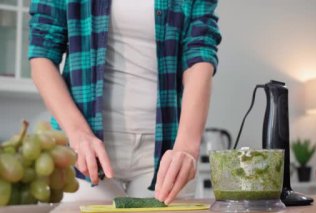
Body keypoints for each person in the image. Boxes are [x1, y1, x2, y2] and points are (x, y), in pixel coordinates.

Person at [28, 0, 221, 204]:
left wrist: (187, 148)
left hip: (167, 151)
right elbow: (42, 56)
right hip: (86, 150)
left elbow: (200, 53)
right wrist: (79, 134)